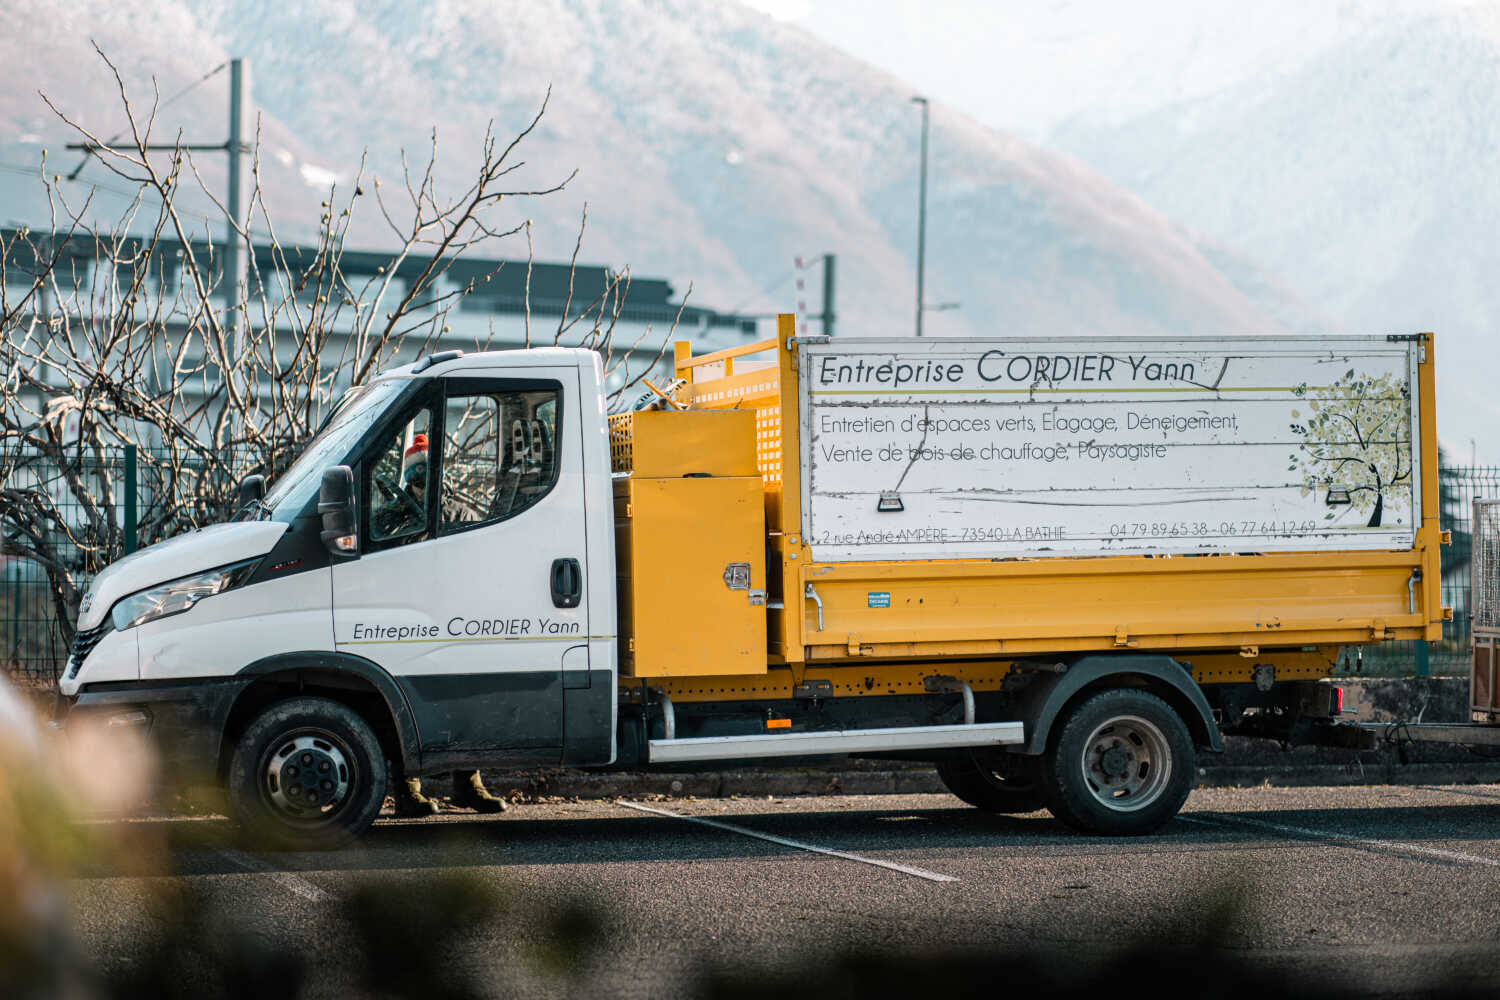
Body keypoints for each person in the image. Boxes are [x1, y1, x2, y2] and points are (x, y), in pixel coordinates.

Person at [379, 434, 508, 817]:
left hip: (454, 623)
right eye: (415, 470)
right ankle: (408, 791)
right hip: (408, 625)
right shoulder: (390, 517)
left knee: (463, 707)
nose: (422, 477)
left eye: (427, 468)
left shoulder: (459, 514)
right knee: (406, 709)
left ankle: (468, 786)